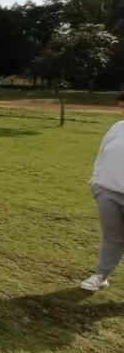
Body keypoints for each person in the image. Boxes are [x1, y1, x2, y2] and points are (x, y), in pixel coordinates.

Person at [80, 93, 124, 291]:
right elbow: (101, 154)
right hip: (107, 192)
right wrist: (96, 182)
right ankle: (101, 275)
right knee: (112, 237)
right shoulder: (117, 128)